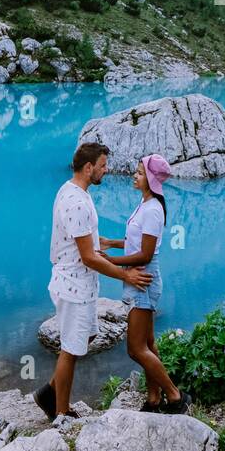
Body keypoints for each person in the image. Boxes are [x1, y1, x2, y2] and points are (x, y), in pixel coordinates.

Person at [36, 142, 152, 423]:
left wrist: (111, 247)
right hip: (73, 285)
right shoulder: (75, 202)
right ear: (89, 168)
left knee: (84, 338)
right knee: (70, 347)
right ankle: (61, 412)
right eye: (102, 166)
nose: (106, 170)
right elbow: (88, 257)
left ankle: (49, 393)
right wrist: (126, 275)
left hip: (82, 285)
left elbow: (88, 250)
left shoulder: (74, 191)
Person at [99, 153, 191, 414]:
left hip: (143, 279)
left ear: (150, 179)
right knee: (149, 344)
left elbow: (146, 254)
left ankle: (175, 396)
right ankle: (153, 399)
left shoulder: (152, 210)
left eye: (139, 173)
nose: (134, 176)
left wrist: (112, 261)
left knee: (135, 349)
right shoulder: (146, 203)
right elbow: (138, 241)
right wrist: (112, 242)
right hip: (140, 278)